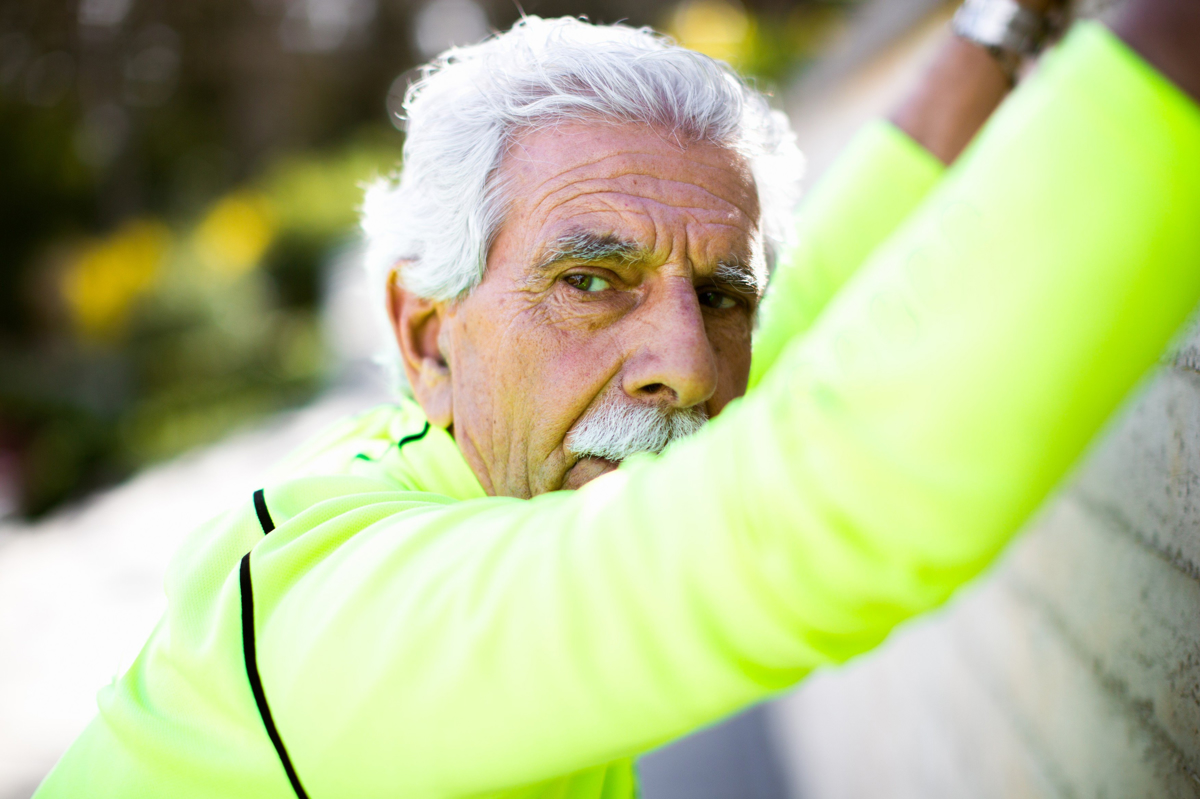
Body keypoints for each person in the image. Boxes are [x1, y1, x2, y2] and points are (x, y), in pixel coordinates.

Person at [34, 0, 1200, 796]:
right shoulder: (341, 621)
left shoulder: (489, 443)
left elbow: (810, 313)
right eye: (588, 281)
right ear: (428, 335)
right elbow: (829, 507)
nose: (686, 368)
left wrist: (999, 33)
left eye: (721, 294)